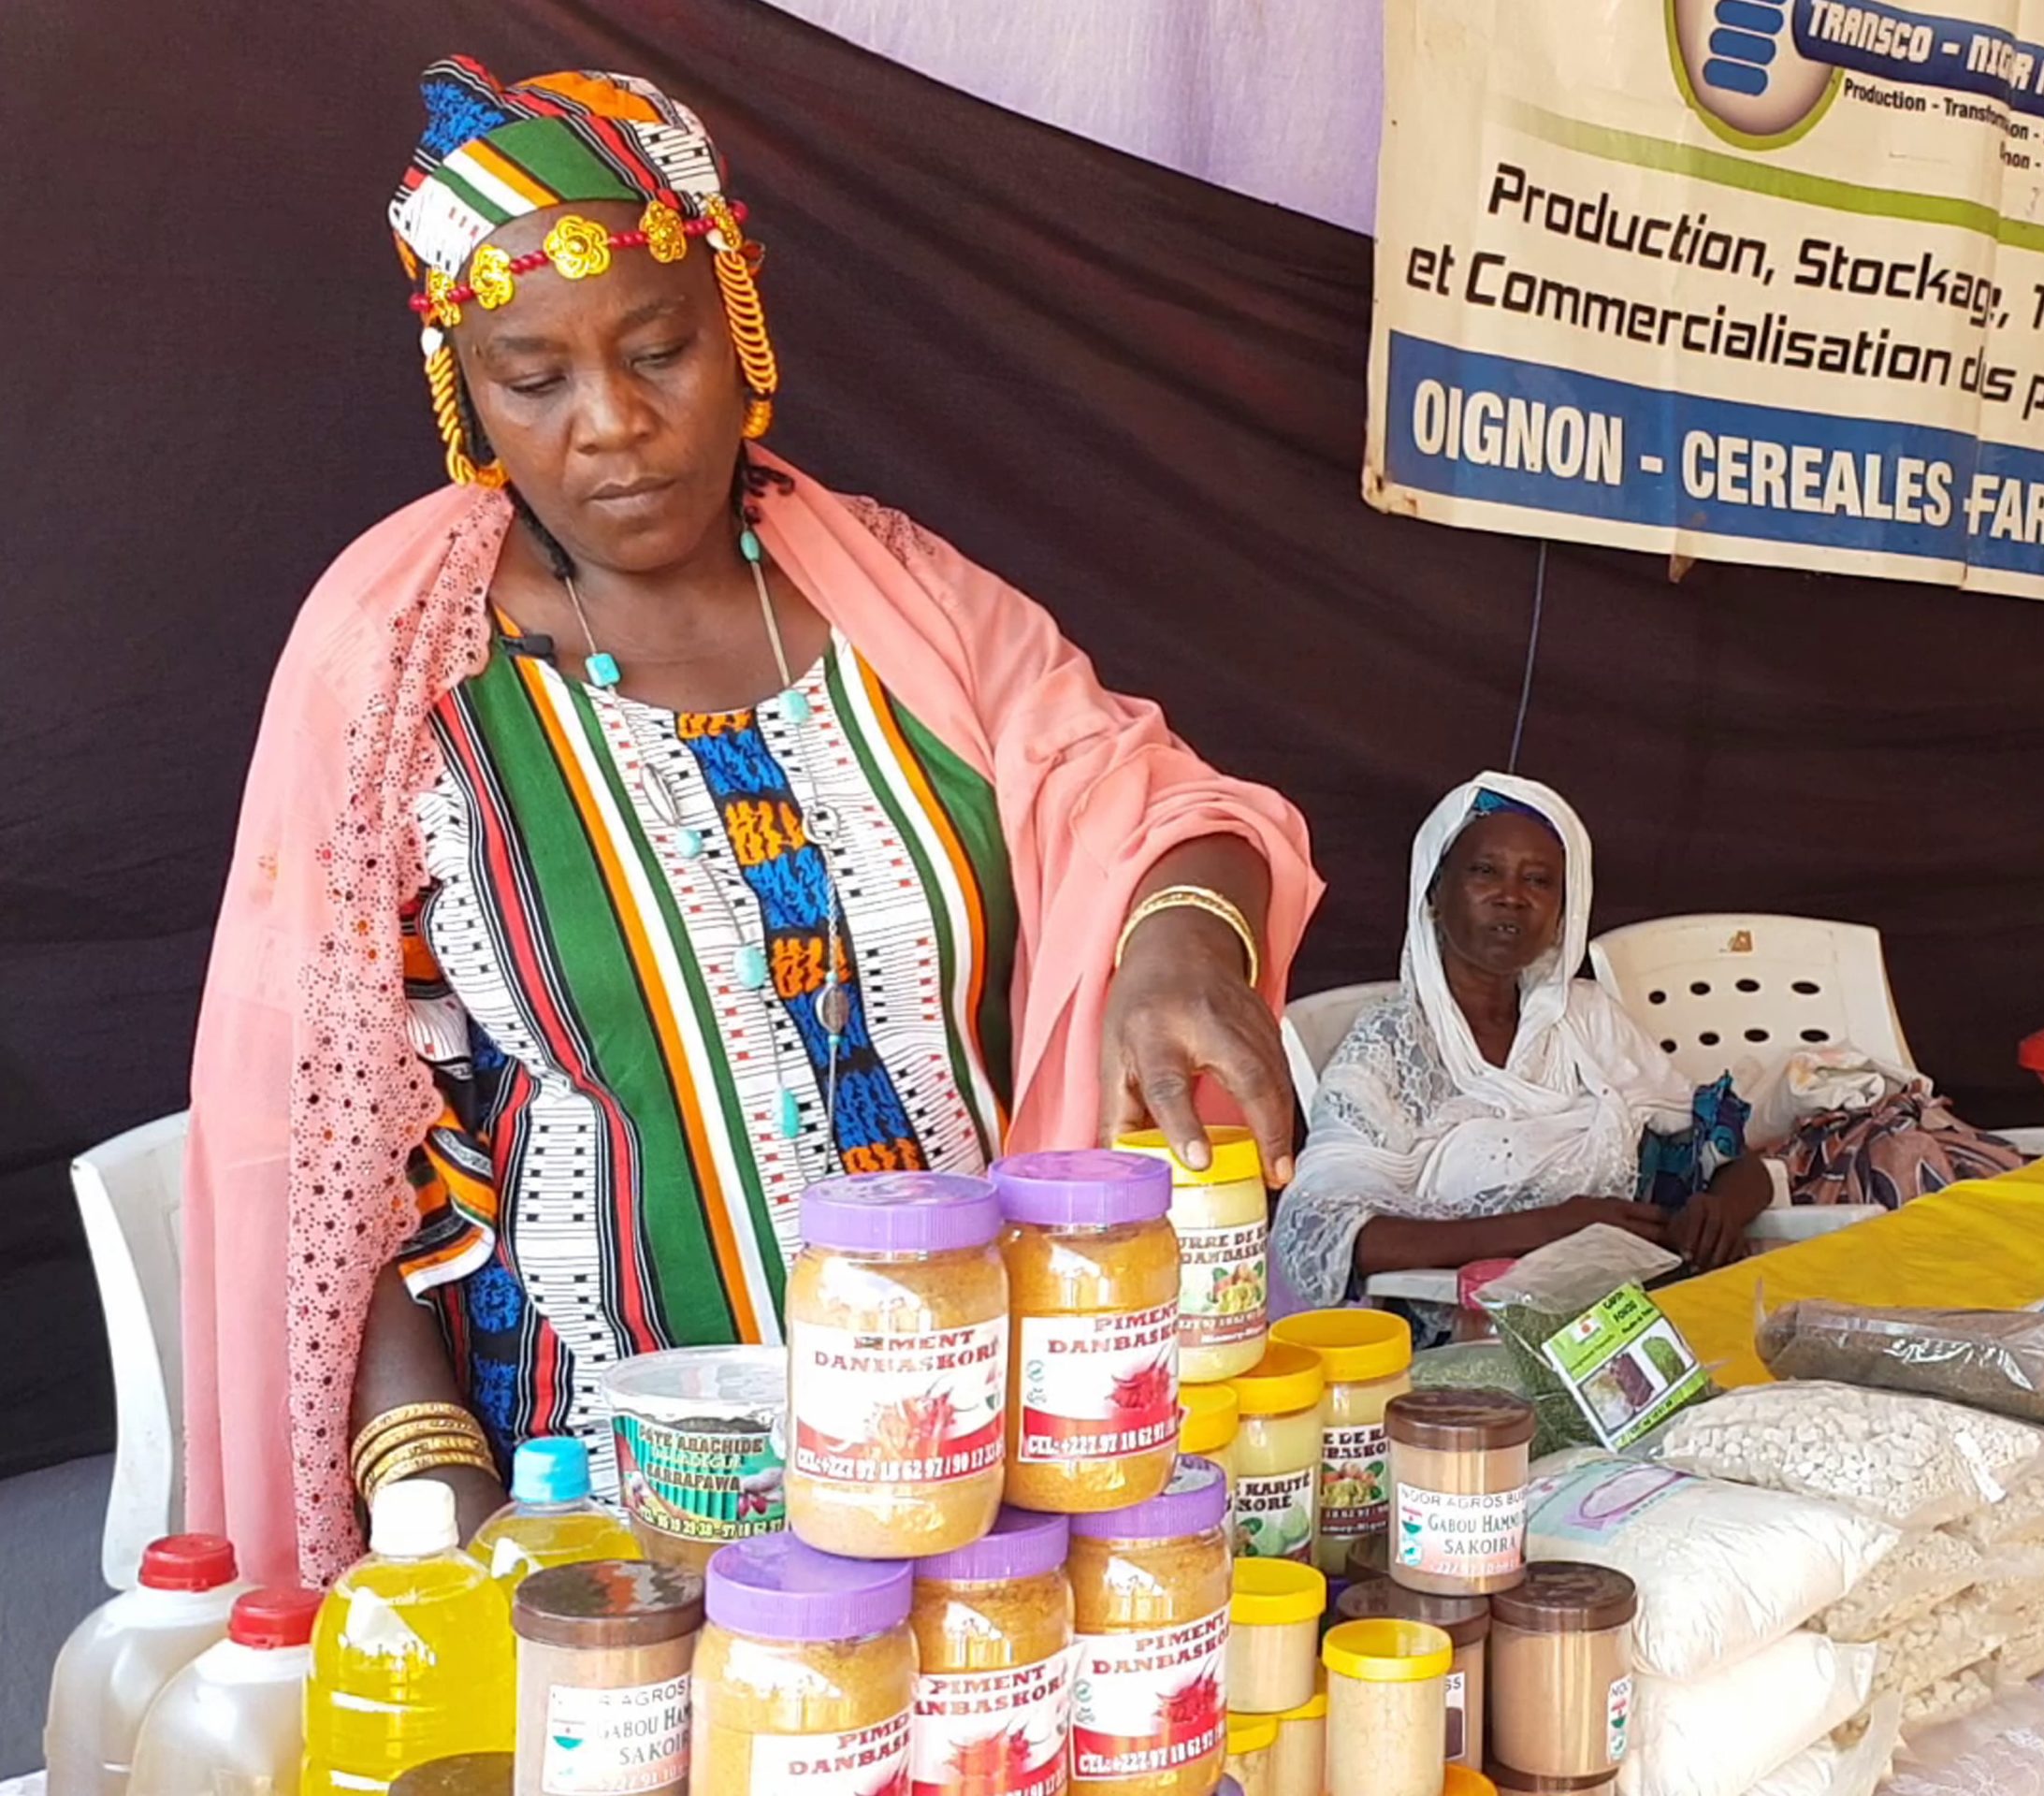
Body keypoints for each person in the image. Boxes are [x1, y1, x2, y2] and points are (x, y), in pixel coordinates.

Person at [181, 59, 1319, 1586]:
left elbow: (1159, 798)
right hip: (609, 1513)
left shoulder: (900, 601)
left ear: (741, 326)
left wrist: (1183, 944)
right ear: (467, 393)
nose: (615, 424)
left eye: (659, 348)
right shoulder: (401, 663)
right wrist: (436, 1493)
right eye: (538, 378)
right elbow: (326, 1136)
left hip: (978, 1462)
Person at [1270, 774, 1776, 1315]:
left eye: (1538, 881)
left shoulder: (1584, 1020)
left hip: (1631, 1311)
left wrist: (1717, 1209)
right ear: (1435, 894)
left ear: (1564, 913)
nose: (1511, 897)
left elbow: (1738, 1164)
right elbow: (1319, 1230)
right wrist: (1549, 1227)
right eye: (1486, 872)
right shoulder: (1391, 1044)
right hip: (1464, 1336)